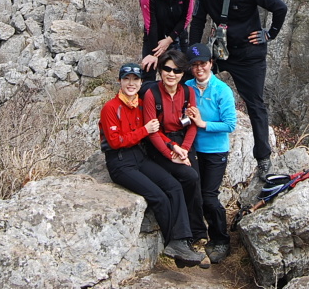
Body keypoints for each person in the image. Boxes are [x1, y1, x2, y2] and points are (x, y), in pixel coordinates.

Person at [188, 0, 287, 181]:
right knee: (186, 84)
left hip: (248, 55)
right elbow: (198, 20)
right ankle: (185, 144)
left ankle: (263, 158)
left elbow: (279, 7)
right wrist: (192, 52)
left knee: (255, 104)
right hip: (221, 53)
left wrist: (269, 33)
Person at [99, 62, 204, 266]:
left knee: (174, 187)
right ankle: (172, 242)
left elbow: (156, 132)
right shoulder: (111, 108)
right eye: (126, 79)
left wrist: (174, 148)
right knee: (159, 197)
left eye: (135, 79)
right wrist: (144, 130)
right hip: (120, 163)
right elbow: (116, 141)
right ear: (120, 81)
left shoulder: (139, 104)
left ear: (140, 83)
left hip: (140, 156)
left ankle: (182, 241)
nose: (131, 83)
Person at [142, 49, 206, 247]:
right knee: (187, 177)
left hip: (183, 141)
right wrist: (171, 153)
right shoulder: (151, 94)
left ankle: (198, 233)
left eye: (177, 71)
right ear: (160, 70)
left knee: (194, 181)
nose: (171, 74)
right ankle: (186, 234)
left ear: (182, 74)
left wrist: (185, 149)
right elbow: (152, 130)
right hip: (160, 143)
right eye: (167, 69)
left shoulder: (188, 93)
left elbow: (193, 123)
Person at [184, 42, 237, 264]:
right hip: (193, 150)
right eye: (195, 65)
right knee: (194, 194)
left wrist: (203, 123)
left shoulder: (222, 90)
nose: (199, 69)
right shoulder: (186, 86)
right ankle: (197, 236)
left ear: (211, 64)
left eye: (203, 64)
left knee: (209, 197)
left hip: (215, 151)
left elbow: (230, 124)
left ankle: (221, 238)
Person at [139, 0, 194, 82]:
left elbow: (186, 19)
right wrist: (154, 53)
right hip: (154, 36)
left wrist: (169, 40)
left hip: (178, 34)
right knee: (149, 71)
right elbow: (150, 24)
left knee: (182, 73)